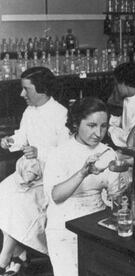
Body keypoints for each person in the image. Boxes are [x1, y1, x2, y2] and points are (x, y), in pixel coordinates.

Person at [0, 67, 69, 275]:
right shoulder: (29, 111)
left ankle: (5, 259)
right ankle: (16, 254)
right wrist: (11, 141)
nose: (22, 94)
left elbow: (66, 153)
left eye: (26, 89)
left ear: (42, 90)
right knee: (3, 192)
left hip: (51, 176)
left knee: (20, 204)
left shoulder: (61, 114)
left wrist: (40, 152)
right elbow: (22, 136)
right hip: (29, 173)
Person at [43, 97, 121, 276]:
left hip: (96, 223)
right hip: (63, 226)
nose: (98, 133)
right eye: (92, 125)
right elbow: (56, 196)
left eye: (103, 126)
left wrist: (122, 187)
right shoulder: (59, 154)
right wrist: (82, 173)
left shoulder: (108, 153)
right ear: (76, 123)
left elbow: (116, 196)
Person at [108, 62, 135, 148]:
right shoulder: (129, 99)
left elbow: (133, 139)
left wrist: (111, 130)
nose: (116, 88)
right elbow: (127, 123)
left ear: (123, 83)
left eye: (116, 84)